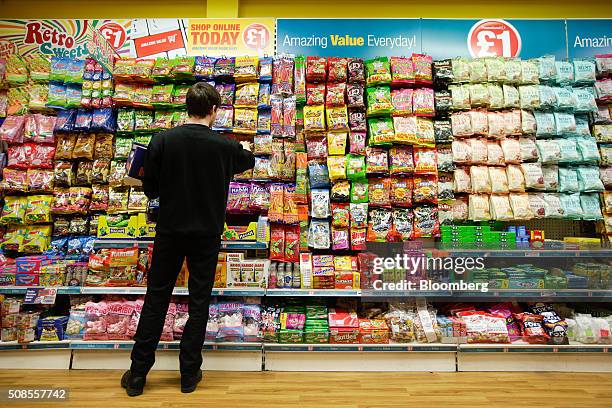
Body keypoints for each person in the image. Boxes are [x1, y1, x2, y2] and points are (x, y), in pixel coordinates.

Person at [121, 82, 255, 396]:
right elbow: (247, 161)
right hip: (206, 234)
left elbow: (149, 187)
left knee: (156, 299)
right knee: (199, 303)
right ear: (214, 110)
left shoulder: (163, 140)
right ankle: (188, 374)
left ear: (187, 108)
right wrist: (241, 152)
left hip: (169, 231)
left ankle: (138, 374)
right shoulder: (224, 145)